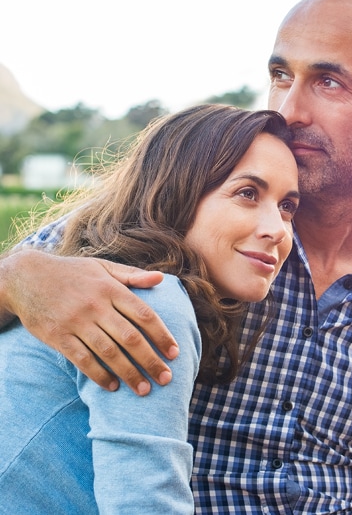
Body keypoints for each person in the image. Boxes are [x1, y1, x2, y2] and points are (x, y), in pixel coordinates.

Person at [0, 0, 352, 513]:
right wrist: (16, 280)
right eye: (280, 76)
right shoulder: (174, 235)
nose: (291, 108)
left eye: (328, 82)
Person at [0, 104, 299, 513]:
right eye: (248, 194)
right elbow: (145, 504)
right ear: (178, 192)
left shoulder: (108, 279)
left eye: (287, 206)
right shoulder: (148, 298)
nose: (277, 229)